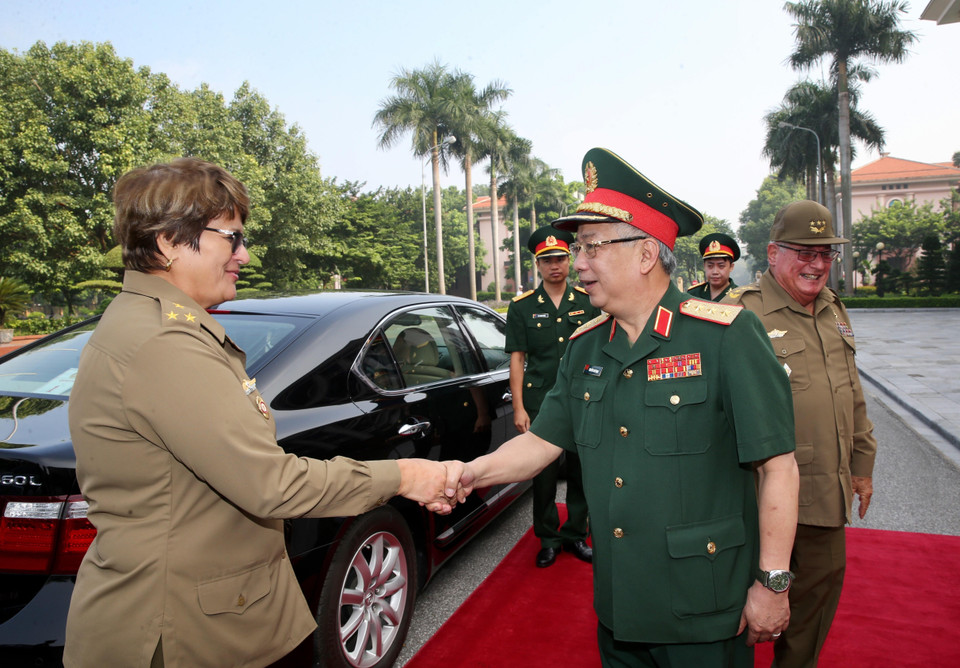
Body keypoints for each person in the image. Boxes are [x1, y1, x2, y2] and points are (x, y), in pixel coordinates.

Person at [64, 158, 461, 668]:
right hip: (183, 631)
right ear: (167, 241)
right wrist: (404, 474)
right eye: (231, 237)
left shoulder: (153, 325)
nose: (244, 255)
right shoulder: (165, 342)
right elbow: (269, 484)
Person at [456, 148, 799, 667]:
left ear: (644, 254)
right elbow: (541, 442)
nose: (578, 264)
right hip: (620, 606)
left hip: (703, 608)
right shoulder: (585, 346)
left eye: (592, 247)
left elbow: (778, 465)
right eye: (577, 249)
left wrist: (772, 583)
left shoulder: (725, 336)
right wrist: (466, 474)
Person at [723, 200, 877, 668]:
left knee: (814, 609)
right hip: (756, 497)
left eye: (826, 254)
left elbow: (850, 392)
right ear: (772, 254)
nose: (817, 264)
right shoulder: (738, 313)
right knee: (736, 614)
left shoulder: (833, 309)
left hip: (824, 495)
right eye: (803, 252)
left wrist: (862, 466)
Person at [505, 226, 600, 567]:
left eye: (560, 258)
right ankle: (547, 537)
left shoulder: (587, 302)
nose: (554, 265)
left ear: (569, 259)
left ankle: (576, 533)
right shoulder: (523, 307)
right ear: (538, 265)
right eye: (547, 260)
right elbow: (517, 358)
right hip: (540, 402)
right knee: (542, 476)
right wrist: (518, 407)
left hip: (582, 399)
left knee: (579, 472)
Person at [687, 232, 740, 301]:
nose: (715, 272)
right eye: (710, 266)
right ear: (704, 266)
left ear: (731, 267)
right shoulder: (693, 294)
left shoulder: (740, 296)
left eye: (721, 266)